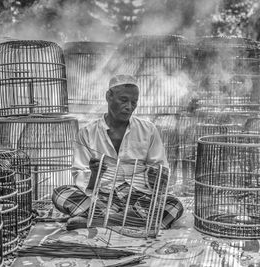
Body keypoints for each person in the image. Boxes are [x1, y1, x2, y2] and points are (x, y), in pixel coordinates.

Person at [52, 74, 184, 230]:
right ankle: (130, 220)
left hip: (138, 198)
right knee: (60, 194)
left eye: (134, 102)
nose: (129, 107)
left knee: (174, 205)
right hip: (100, 197)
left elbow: (161, 169)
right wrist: (95, 174)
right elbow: (81, 179)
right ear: (109, 96)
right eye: (123, 100)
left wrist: (156, 176)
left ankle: (99, 221)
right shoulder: (87, 133)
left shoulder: (148, 130)